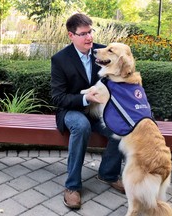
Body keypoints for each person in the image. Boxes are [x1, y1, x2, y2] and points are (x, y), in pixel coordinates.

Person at [50, 13, 125, 209]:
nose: (89, 37)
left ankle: (108, 174)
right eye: (83, 33)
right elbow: (58, 98)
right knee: (81, 126)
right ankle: (72, 186)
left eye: (90, 31)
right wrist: (85, 98)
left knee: (121, 129)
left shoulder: (102, 51)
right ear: (70, 36)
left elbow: (119, 76)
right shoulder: (60, 59)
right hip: (72, 111)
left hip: (99, 111)